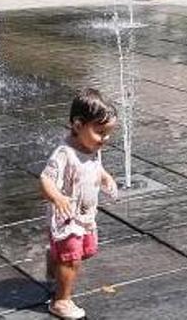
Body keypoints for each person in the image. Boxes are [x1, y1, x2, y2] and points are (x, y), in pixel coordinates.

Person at [40, 88, 120, 319]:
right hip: (66, 218)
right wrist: (57, 197)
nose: (105, 139)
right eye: (100, 132)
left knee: (83, 252)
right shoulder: (64, 153)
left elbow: (96, 166)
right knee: (72, 259)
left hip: (84, 216)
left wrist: (106, 177)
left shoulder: (92, 148)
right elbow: (45, 180)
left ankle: (55, 257)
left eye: (108, 133)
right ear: (77, 125)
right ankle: (61, 301)